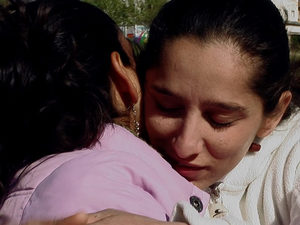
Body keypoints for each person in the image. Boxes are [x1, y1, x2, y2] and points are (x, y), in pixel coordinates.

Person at [65, 0, 300, 224]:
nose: (184, 146)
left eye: (220, 120)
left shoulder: (292, 156)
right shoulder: (101, 151)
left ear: (273, 114)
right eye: (167, 107)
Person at [0, 0, 209, 224]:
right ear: (123, 82)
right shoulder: (95, 188)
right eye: (136, 62)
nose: (186, 143)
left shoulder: (36, 176)